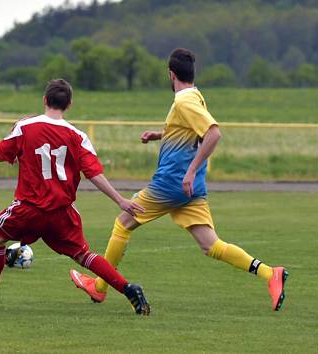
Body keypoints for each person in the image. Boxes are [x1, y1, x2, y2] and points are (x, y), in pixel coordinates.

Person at [70, 48, 288, 311]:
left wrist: (191, 169)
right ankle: (270, 274)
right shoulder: (194, 96)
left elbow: (213, 134)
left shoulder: (184, 101)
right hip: (190, 189)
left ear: (171, 74)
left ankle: (100, 287)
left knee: (123, 222)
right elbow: (189, 130)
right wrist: (161, 134)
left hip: (172, 183)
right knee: (211, 245)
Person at [0, 79, 151, 316]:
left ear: (44, 100)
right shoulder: (78, 136)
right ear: (69, 105)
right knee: (83, 255)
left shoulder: (25, 126)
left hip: (29, 207)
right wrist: (121, 201)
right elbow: (94, 174)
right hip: (62, 211)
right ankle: (128, 289)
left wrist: (15, 149)